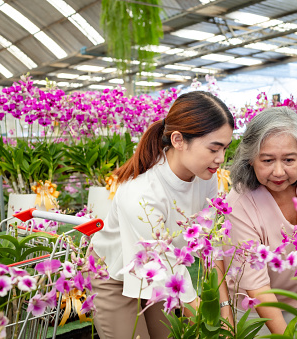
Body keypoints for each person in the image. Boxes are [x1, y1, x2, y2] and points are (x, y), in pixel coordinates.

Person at [90, 91, 234, 339]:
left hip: (157, 272)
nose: (220, 159)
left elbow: (209, 244)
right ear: (178, 140)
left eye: (225, 148)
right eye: (214, 148)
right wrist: (208, 323)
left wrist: (224, 307)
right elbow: (166, 262)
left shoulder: (205, 177)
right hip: (115, 278)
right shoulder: (141, 193)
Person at [223, 106, 297, 335]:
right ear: (250, 159)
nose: (279, 172)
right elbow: (258, 288)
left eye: (289, 160)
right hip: (256, 309)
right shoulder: (239, 202)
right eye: (267, 160)